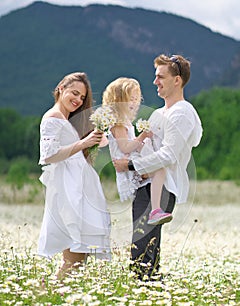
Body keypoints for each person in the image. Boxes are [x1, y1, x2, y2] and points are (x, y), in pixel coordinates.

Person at [113, 54, 203, 280]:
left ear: (177, 80)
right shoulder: (158, 113)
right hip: (147, 185)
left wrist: (131, 165)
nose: (155, 82)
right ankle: (149, 296)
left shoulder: (182, 112)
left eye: (161, 77)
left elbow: (169, 154)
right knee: (145, 249)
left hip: (163, 187)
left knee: (142, 249)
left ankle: (143, 295)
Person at [38, 72, 111, 280]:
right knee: (74, 256)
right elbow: (49, 155)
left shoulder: (66, 120)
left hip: (80, 187)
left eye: (82, 97)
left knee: (80, 256)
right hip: (68, 191)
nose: (78, 100)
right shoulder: (52, 118)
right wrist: (83, 143)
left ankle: (53, 295)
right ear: (61, 88)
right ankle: (47, 294)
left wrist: (97, 135)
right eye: (74, 93)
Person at [103, 77, 172, 225]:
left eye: (136, 99)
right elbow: (125, 147)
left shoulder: (125, 122)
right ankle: (155, 210)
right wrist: (142, 136)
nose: (134, 103)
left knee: (158, 169)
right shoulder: (118, 124)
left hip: (130, 160)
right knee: (159, 171)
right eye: (130, 99)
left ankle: (155, 209)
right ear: (118, 101)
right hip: (127, 164)